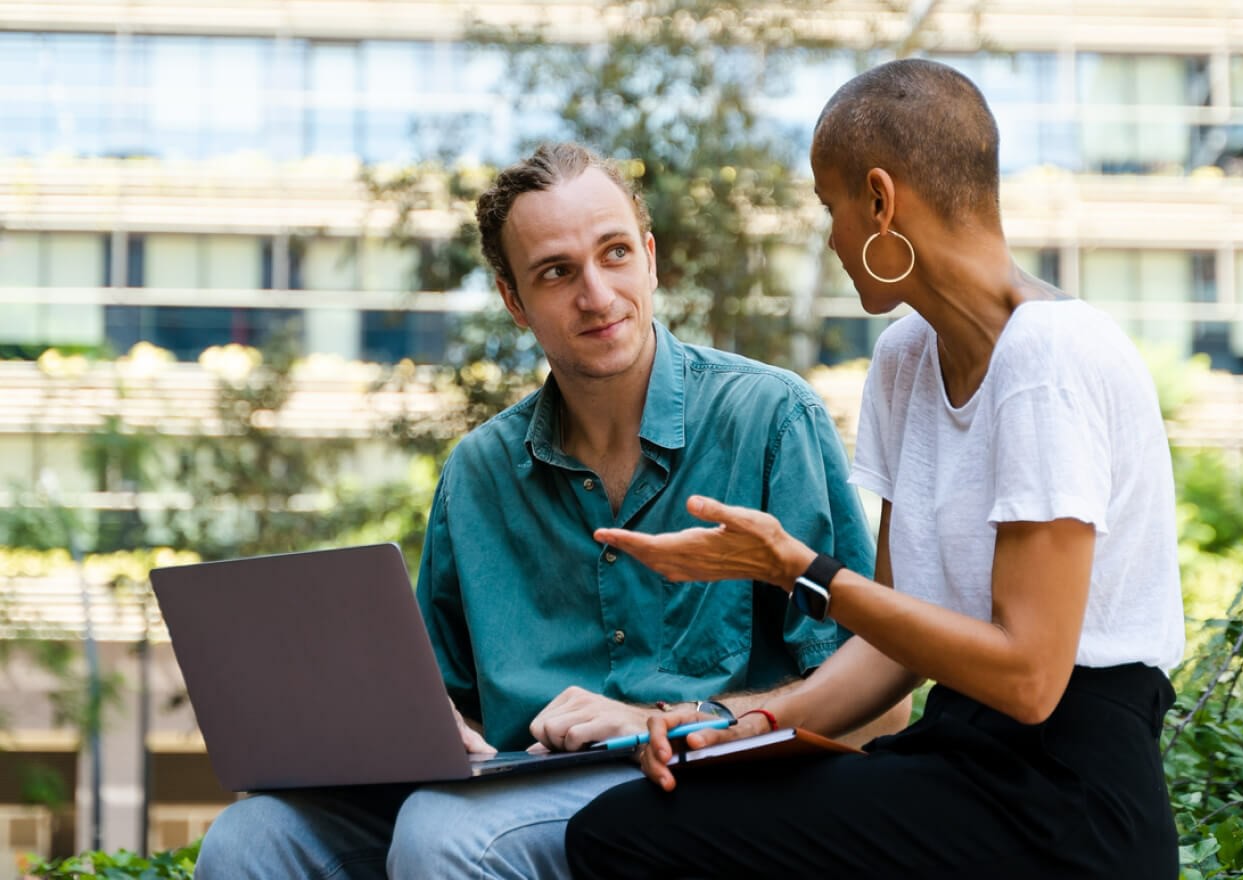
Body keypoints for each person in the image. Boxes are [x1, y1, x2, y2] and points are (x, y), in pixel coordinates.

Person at [193, 142, 900, 880]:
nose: (596, 294)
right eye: (557, 273)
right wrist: (421, 728)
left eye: (616, 254)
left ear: (651, 259)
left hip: (702, 785)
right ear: (513, 301)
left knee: (446, 833)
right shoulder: (478, 473)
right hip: (514, 786)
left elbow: (876, 704)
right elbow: (449, 702)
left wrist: (671, 721)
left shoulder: (769, 419)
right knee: (252, 838)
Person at [565, 58, 1186, 879]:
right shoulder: (906, 358)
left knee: (628, 840)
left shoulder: (1050, 356)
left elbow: (1033, 678)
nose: (829, 237)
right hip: (956, 759)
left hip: (1067, 802)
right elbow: (896, 638)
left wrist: (801, 570)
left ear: (882, 201)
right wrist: (747, 724)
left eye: (832, 206)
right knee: (634, 821)